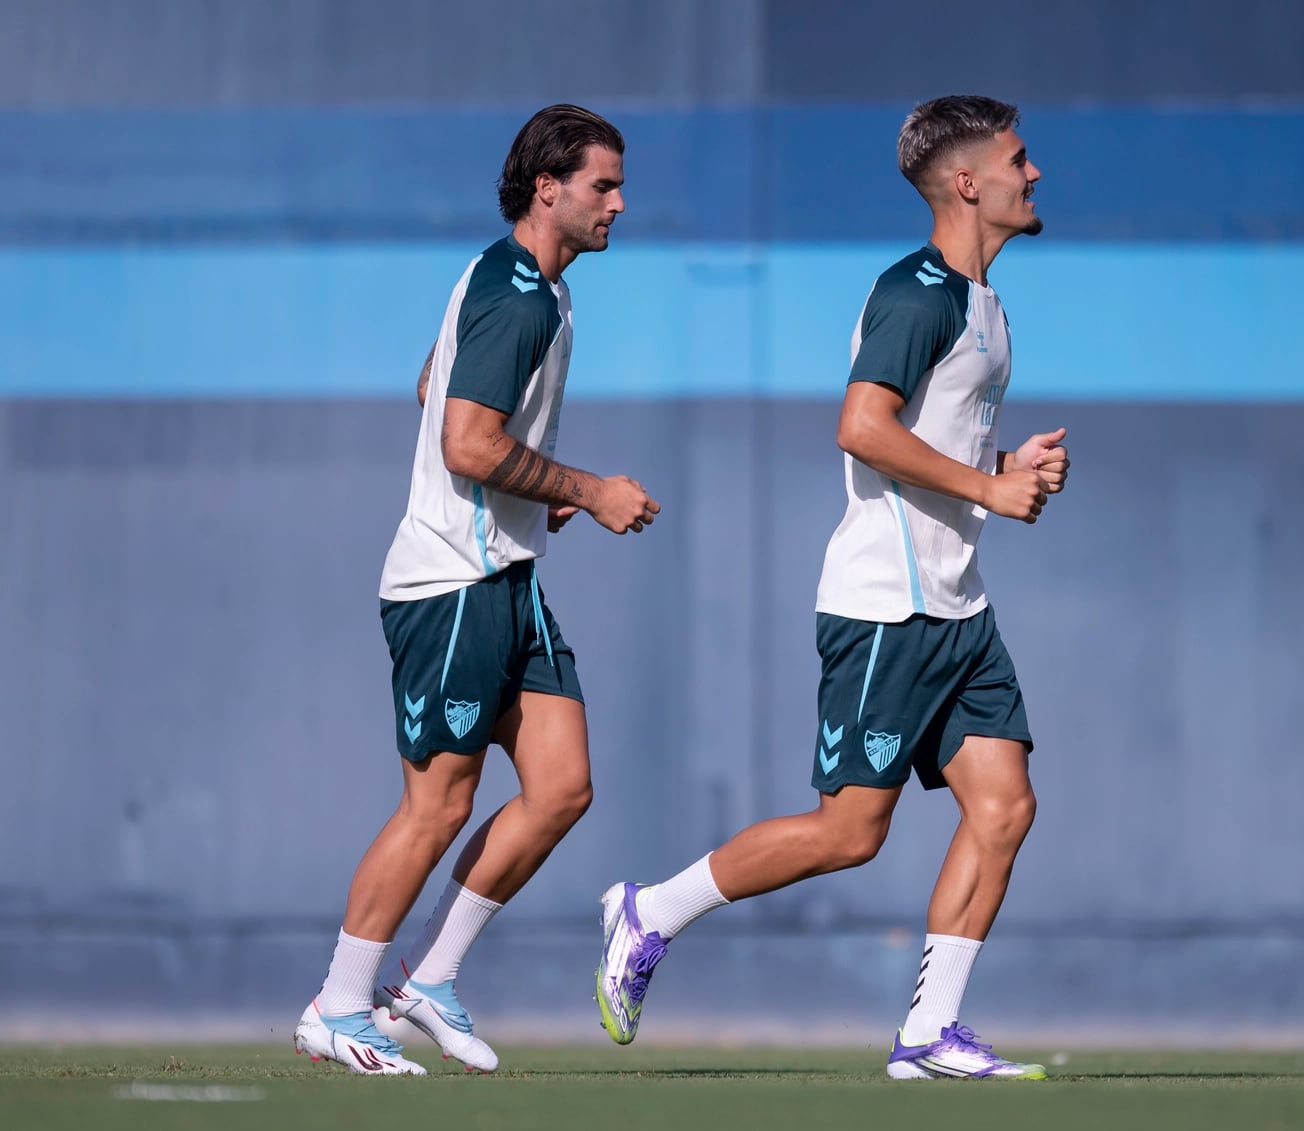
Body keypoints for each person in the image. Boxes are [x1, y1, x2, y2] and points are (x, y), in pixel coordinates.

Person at [595, 95, 1069, 1080]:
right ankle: (651, 912)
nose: (1034, 175)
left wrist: (1005, 459)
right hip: (884, 607)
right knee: (849, 832)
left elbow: (927, 438)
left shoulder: (984, 304)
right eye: (1018, 160)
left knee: (1003, 806)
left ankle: (928, 1034)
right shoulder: (918, 292)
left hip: (957, 608)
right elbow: (860, 427)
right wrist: (988, 485)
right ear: (965, 181)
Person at [295, 104, 660, 1075]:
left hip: (505, 573)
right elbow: (463, 439)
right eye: (601, 185)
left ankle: (427, 981)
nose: (618, 203)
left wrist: (528, 492)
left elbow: (434, 387)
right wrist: (585, 488)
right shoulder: (521, 297)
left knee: (560, 786)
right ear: (547, 188)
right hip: (449, 583)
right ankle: (337, 1005)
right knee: (438, 806)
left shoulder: (522, 282)